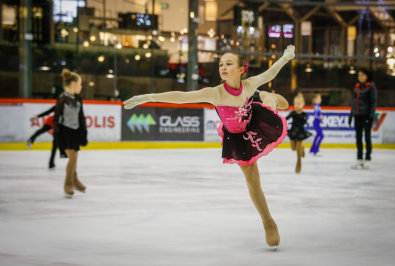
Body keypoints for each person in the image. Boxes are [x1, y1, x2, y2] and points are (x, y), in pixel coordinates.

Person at [123, 45, 296, 248]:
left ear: (242, 69)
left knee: (279, 102)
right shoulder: (216, 93)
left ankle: (268, 97)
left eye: (229, 63)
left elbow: (270, 72)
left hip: (253, 116)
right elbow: (181, 97)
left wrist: (285, 57)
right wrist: (148, 97)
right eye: (221, 64)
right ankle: (268, 222)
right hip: (237, 134)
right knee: (251, 176)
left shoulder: (248, 85)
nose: (223, 66)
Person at [53, 69, 88, 197]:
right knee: (72, 158)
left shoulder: (78, 99)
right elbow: (56, 118)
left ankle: (75, 180)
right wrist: (57, 135)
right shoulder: (62, 99)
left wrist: (84, 133)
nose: (81, 87)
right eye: (80, 84)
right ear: (74, 84)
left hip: (75, 132)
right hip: (64, 132)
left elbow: (81, 117)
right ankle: (68, 183)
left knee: (74, 159)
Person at [349, 68, 377, 169]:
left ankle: (368, 158)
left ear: (367, 76)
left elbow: (374, 102)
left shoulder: (371, 87)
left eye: (362, 75)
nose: (359, 77)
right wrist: (351, 114)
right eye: (359, 75)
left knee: (367, 138)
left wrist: (371, 115)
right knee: (358, 138)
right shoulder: (357, 87)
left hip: (366, 116)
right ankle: (359, 158)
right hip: (357, 116)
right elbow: (354, 102)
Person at [286, 93, 312, 173]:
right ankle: (302, 147)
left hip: (300, 133)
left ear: (303, 104)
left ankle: (298, 164)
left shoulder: (305, 114)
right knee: (293, 148)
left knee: (297, 150)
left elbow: (303, 122)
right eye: (295, 104)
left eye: (299, 104)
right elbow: (285, 119)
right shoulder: (292, 113)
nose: (297, 105)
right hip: (293, 132)